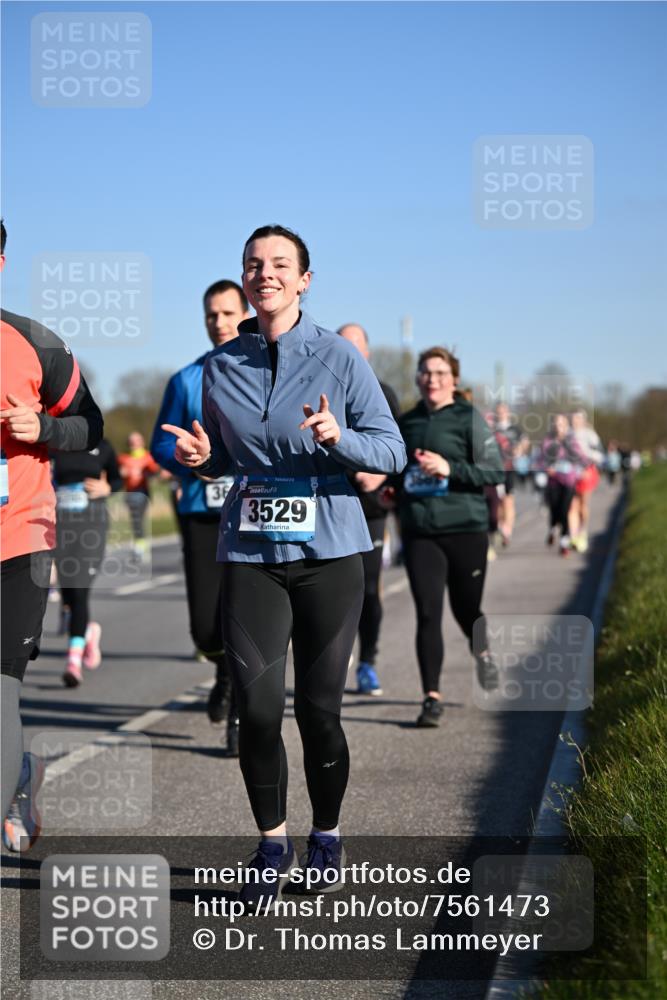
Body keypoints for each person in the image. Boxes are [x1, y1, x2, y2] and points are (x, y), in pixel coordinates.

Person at [162, 224, 406, 902]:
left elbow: (391, 452)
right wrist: (201, 458)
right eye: (252, 264)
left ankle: (325, 834)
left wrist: (341, 437)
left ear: (303, 279)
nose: (263, 273)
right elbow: (222, 455)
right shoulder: (220, 365)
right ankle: (272, 841)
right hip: (250, 553)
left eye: (278, 264)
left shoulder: (339, 358)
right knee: (260, 708)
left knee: (319, 713)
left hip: (329, 554)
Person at [0, 219, 103, 850]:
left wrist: (44, 429)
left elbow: (90, 426)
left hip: (20, 540)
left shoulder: (34, 343)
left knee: (1, 684)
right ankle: (21, 776)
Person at [151, 280, 249, 753]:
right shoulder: (185, 379)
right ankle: (222, 670)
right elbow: (160, 442)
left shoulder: (264, 369)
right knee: (205, 629)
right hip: (201, 511)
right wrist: (187, 459)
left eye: (228, 312)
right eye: (211, 314)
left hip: (254, 513)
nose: (219, 322)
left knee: (245, 617)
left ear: (244, 313)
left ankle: (238, 713)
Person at [391, 348, 504, 727]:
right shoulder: (406, 423)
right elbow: (399, 473)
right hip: (421, 531)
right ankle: (431, 697)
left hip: (466, 529)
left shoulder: (468, 418)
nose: (432, 379)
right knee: (427, 612)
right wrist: (391, 490)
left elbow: (494, 472)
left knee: (466, 608)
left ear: (454, 379)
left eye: (440, 372)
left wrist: (448, 467)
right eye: (425, 372)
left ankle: (483, 653)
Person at [337, 323, 401, 696]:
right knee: (331, 592)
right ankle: (333, 658)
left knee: (369, 591)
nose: (349, 356)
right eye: (342, 348)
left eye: (356, 349)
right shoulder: (319, 386)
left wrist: (377, 476)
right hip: (329, 507)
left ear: (367, 354)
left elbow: (397, 450)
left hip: (371, 509)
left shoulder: (384, 393)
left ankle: (367, 663)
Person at [52, 438, 123, 686]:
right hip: (60, 528)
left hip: (92, 528)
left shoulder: (102, 446)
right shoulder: (53, 444)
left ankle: (73, 661)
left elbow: (117, 479)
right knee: (69, 594)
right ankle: (88, 631)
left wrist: (107, 489)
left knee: (80, 590)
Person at [538, 413, 588, 557]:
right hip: (553, 481)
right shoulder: (548, 441)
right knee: (555, 509)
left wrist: (585, 468)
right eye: (556, 424)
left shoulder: (571, 441)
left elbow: (581, 457)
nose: (558, 427)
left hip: (569, 481)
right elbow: (540, 460)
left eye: (562, 424)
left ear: (566, 426)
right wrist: (546, 468)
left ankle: (564, 542)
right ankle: (553, 529)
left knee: (565, 510)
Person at [117, 431, 160, 562]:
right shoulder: (123, 458)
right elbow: (115, 474)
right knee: (135, 520)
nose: (134, 443)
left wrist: (149, 473)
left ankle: (140, 546)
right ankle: (141, 545)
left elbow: (156, 472)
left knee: (137, 520)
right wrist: (121, 473)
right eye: (131, 440)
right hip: (129, 493)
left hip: (142, 492)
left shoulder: (148, 457)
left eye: (136, 440)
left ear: (142, 442)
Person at [569, 409, 604, 553]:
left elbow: (600, 454)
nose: (575, 421)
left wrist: (586, 458)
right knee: (572, 506)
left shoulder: (590, 435)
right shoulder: (568, 435)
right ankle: (573, 535)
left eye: (578, 419)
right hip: (571, 473)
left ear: (583, 420)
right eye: (573, 419)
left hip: (587, 472)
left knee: (583, 504)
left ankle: (583, 532)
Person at [492, 402, 521, 546]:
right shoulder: (492, 429)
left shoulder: (514, 429)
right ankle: (500, 526)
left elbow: (524, 442)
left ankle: (507, 530)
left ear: (508, 412)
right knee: (498, 501)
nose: (501, 413)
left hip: (509, 468)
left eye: (504, 411)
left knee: (508, 500)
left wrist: (518, 450)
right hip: (495, 469)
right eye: (499, 411)